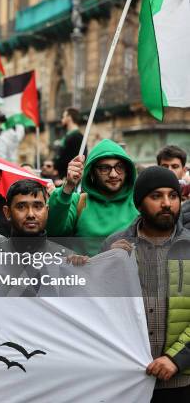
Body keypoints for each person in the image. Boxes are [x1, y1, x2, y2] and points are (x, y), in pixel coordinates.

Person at [101, 167, 190, 401]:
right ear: (139, 203)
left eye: (173, 196)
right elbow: (98, 310)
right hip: (127, 380)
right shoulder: (114, 246)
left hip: (181, 382)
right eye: (156, 196)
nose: (166, 203)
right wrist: (105, 266)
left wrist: (176, 359)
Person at [47, 139, 138, 255]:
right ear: (92, 172)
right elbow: (53, 233)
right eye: (105, 168)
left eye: (119, 167)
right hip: (86, 272)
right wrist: (68, 187)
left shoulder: (139, 202)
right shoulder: (79, 202)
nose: (113, 174)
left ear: (128, 170)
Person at [53, 107, 85, 178]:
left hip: (67, 177)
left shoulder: (77, 137)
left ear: (69, 117)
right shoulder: (69, 136)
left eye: (63, 117)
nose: (62, 119)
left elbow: (73, 158)